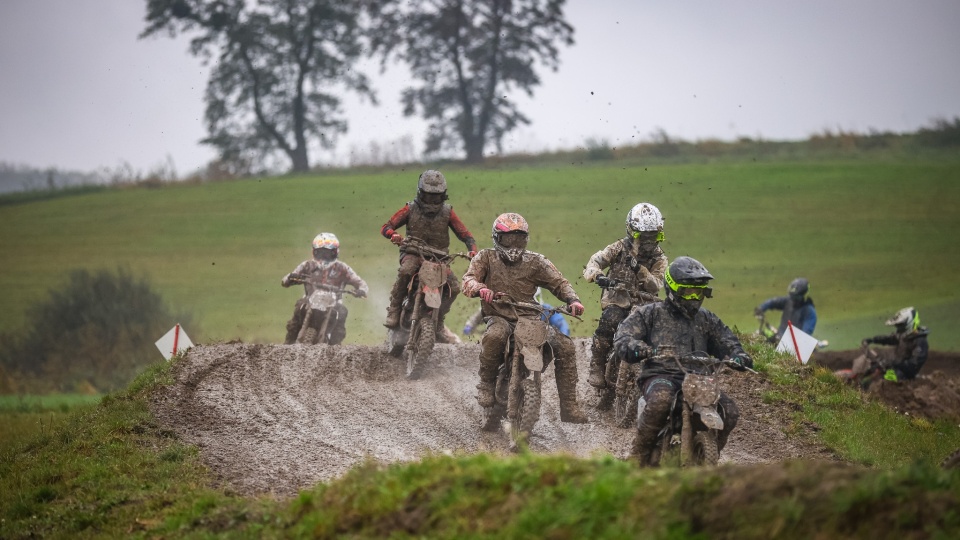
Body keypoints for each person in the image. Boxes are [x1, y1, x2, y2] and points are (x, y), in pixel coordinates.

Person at [613, 256, 752, 466]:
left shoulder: (707, 319)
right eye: (689, 291)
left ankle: (706, 457)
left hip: (700, 379)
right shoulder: (651, 313)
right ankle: (637, 457)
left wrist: (738, 356)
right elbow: (623, 337)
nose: (695, 297)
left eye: (699, 291)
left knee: (730, 411)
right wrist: (642, 349)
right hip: (661, 375)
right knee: (661, 402)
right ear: (673, 289)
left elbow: (726, 340)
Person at [461, 212, 588, 424]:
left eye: (518, 239)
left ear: (525, 240)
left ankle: (569, 405)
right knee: (495, 336)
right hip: (499, 315)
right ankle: (486, 384)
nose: (513, 245)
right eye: (508, 239)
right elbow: (468, 279)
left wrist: (573, 300)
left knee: (565, 345)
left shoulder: (536, 261)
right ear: (497, 238)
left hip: (530, 317)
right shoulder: (485, 257)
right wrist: (480, 288)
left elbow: (559, 283)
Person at [380, 170, 479, 342]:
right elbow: (386, 227)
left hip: (438, 258)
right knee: (406, 271)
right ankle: (394, 309)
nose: (432, 200)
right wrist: (392, 235)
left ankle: (438, 322)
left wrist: (472, 250)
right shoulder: (410, 209)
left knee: (454, 287)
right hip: (413, 252)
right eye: (429, 196)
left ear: (443, 195)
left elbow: (466, 235)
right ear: (421, 193)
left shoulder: (447, 212)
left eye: (436, 197)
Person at [582, 202, 668, 390]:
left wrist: (639, 269)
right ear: (631, 231)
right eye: (643, 237)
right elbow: (595, 261)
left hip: (645, 304)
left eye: (653, 236)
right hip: (617, 299)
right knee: (610, 320)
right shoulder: (618, 248)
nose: (648, 242)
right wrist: (598, 276)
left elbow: (657, 284)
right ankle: (597, 364)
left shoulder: (660, 259)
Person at [281, 232, 368, 345]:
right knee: (298, 310)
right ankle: (286, 348)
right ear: (314, 252)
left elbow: (361, 283)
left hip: (334, 303)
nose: (324, 257)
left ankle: (335, 350)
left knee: (341, 313)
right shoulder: (307, 265)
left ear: (335, 252)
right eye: (321, 253)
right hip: (309, 299)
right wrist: (291, 277)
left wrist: (361, 290)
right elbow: (285, 281)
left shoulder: (343, 268)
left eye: (327, 253)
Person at [462, 287, 570, 337]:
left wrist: (564, 335)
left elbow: (562, 324)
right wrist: (470, 326)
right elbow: (481, 313)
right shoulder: (505, 307)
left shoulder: (546, 310)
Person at [860, 307, 930, 382]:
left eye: (900, 325)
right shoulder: (903, 335)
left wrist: (895, 364)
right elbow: (889, 338)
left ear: (909, 323)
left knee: (885, 379)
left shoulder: (920, 341)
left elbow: (913, 366)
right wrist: (873, 340)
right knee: (872, 369)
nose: (898, 328)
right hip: (896, 366)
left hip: (906, 374)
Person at [754, 277, 817, 343]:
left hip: (792, 344)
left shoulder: (809, 312)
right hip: (779, 336)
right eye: (792, 296)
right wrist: (761, 308)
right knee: (758, 335)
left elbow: (805, 334)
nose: (793, 299)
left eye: (796, 297)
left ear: (804, 295)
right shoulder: (788, 301)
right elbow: (773, 302)